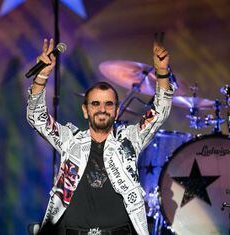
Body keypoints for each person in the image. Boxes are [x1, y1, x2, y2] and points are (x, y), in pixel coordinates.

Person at [27, 38, 174, 235]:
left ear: (116, 111)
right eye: (95, 104)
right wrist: (42, 77)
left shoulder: (130, 139)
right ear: (85, 110)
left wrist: (162, 73)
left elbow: (159, 112)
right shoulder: (70, 139)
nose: (102, 109)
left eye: (108, 104)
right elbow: (36, 117)